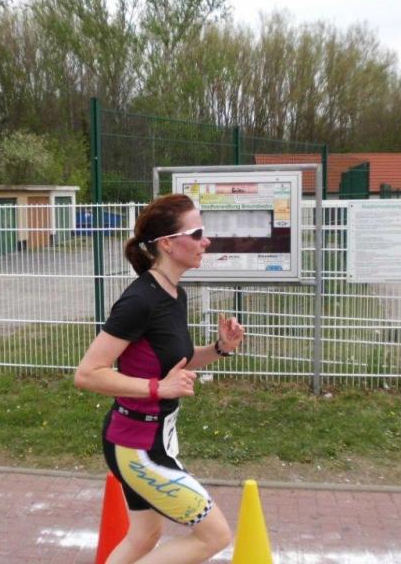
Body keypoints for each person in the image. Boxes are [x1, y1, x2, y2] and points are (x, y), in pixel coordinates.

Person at [75, 194, 245, 564]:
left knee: (144, 537)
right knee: (215, 536)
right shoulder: (140, 300)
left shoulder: (173, 293)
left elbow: (174, 359)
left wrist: (220, 348)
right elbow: (87, 374)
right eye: (196, 234)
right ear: (167, 243)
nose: (206, 241)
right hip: (136, 445)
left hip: (153, 438)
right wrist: (159, 388)